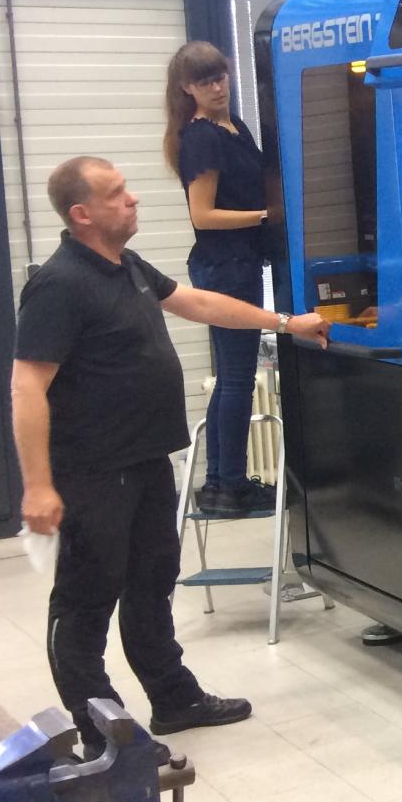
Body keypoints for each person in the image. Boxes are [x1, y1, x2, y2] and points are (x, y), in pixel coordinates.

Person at [11, 155, 330, 749]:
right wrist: (37, 485)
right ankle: (104, 736)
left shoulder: (126, 266)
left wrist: (284, 322)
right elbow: (27, 386)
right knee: (85, 602)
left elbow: (199, 303)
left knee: (151, 584)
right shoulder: (59, 284)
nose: (132, 199)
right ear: (82, 214)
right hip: (93, 471)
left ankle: (174, 699)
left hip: (147, 459)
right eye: (116, 193)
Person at [163, 41, 273, 517]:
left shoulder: (235, 127)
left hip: (237, 262)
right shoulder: (202, 137)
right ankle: (229, 487)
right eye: (204, 81)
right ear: (186, 88)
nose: (217, 87)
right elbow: (203, 216)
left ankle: (219, 484)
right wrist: (265, 217)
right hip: (224, 266)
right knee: (237, 379)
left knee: (233, 377)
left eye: (220, 76)